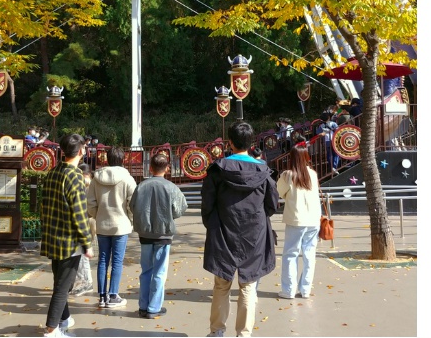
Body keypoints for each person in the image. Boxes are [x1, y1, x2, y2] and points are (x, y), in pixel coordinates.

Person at [202, 121, 279, 337]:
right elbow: (272, 204)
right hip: (254, 232)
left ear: (230, 143)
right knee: (248, 285)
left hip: (223, 230)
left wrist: (212, 224)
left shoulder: (218, 170)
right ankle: (243, 334)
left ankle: (217, 331)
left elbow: (207, 202)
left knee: (221, 283)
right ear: (251, 143)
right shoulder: (263, 171)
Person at [40, 133, 94, 337]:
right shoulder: (75, 176)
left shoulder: (53, 172)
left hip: (53, 237)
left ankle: (64, 318)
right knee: (62, 288)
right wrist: (87, 243)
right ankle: (51, 329)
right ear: (81, 151)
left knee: (61, 283)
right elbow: (79, 214)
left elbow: (43, 208)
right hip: (69, 242)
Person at [129, 153, 187, 319]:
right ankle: (154, 307)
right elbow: (180, 208)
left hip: (145, 234)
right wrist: (168, 216)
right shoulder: (171, 187)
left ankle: (143, 306)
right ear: (167, 168)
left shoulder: (141, 186)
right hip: (163, 234)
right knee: (159, 272)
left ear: (150, 168)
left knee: (146, 270)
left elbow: (133, 206)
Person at [86, 146, 136, 309]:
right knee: (117, 261)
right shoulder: (127, 178)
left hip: (102, 224)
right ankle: (113, 295)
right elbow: (132, 203)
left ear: (106, 159)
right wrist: (130, 219)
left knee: (102, 260)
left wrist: (97, 215)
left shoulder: (96, 178)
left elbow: (91, 203)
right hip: (121, 225)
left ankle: (102, 296)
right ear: (123, 160)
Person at [276, 145, 322, 300]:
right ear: (307, 157)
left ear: (292, 158)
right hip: (313, 219)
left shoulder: (287, 175)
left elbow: (279, 192)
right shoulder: (313, 174)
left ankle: (288, 290)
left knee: (290, 254)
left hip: (296, 219)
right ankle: (305, 289)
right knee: (309, 255)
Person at [70, 163, 96, 297]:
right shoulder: (90, 185)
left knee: (83, 254)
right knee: (82, 253)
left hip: (86, 222)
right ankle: (85, 281)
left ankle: (86, 282)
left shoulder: (87, 185)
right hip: (87, 222)